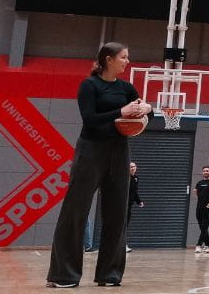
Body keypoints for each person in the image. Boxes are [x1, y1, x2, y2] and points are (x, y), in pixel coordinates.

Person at [46, 42, 152, 288]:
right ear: (108, 59)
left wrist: (147, 108)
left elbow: (147, 112)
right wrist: (121, 111)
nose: (127, 61)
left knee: (116, 214)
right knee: (75, 211)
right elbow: (90, 120)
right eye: (123, 57)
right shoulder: (89, 85)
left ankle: (110, 273)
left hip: (119, 151)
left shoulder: (126, 88)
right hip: (91, 150)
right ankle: (64, 275)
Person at [125, 162, 142, 252]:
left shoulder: (136, 178)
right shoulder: (125, 178)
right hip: (123, 205)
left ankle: (122, 245)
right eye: (131, 167)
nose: (132, 168)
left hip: (129, 206)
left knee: (125, 226)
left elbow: (134, 192)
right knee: (122, 226)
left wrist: (139, 201)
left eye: (134, 167)